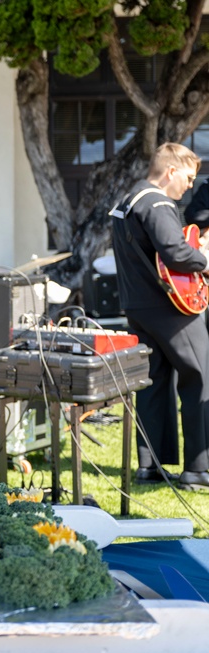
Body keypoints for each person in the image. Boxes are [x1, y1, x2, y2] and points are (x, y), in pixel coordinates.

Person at [110, 142, 209, 491]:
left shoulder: (127, 202)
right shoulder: (158, 202)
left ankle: (151, 466)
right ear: (170, 171)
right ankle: (199, 469)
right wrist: (205, 262)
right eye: (187, 176)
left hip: (138, 306)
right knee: (200, 378)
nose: (189, 186)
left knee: (153, 385)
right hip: (172, 308)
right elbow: (176, 252)